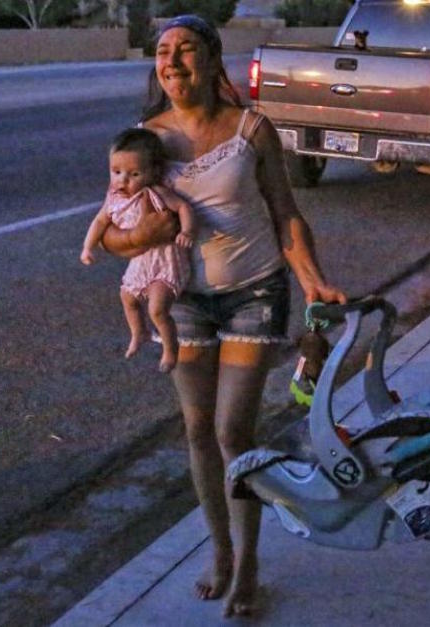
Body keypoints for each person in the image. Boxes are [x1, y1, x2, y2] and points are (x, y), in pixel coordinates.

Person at [99, 14, 347, 618]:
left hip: (254, 293)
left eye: (186, 50)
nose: (172, 61)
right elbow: (111, 228)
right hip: (183, 298)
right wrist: (138, 240)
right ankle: (221, 553)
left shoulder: (250, 129)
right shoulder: (146, 140)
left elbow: (285, 212)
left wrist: (312, 280)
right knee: (196, 430)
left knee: (233, 431)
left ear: (212, 60)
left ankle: (251, 561)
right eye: (163, 51)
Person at [81, 127, 196, 373]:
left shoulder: (155, 193)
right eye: (116, 172)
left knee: (157, 308)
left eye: (134, 174)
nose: (123, 180)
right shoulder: (114, 198)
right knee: (127, 297)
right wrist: (87, 247)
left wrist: (187, 231)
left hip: (165, 262)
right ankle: (139, 331)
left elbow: (183, 207)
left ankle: (170, 348)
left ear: (154, 172)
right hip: (141, 261)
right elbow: (100, 221)